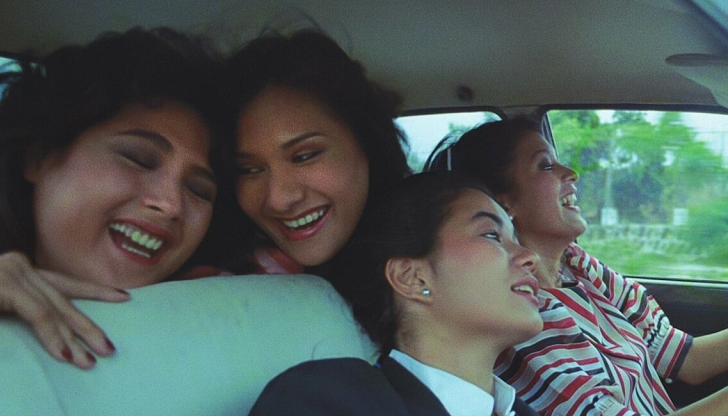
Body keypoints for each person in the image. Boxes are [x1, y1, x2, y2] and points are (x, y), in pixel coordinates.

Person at [0, 27, 229, 369]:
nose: (170, 204)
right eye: (138, 158)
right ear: (39, 157)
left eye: (199, 190)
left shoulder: (227, 303)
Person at [427, 118, 728, 415]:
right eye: (546, 165)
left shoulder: (577, 266)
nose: (571, 174)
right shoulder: (519, 323)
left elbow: (685, 359)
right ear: (505, 205)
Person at [250, 171, 541, 416]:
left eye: (516, 239)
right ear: (411, 278)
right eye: (491, 234)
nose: (530, 257)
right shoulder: (327, 401)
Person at [223, 29, 411, 276]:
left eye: (304, 156)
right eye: (249, 170)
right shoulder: (221, 291)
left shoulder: (440, 264)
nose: (278, 199)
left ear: (366, 141)